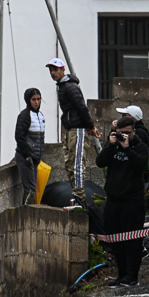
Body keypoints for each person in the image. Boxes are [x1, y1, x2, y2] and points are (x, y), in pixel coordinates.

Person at [95, 116, 149, 287]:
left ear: (133, 132)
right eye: (120, 133)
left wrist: (127, 148)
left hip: (132, 201)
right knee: (115, 239)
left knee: (132, 241)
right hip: (113, 200)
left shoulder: (140, 147)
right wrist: (111, 145)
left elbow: (140, 165)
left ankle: (132, 276)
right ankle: (122, 275)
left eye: (127, 133)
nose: (123, 136)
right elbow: (100, 162)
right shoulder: (114, 145)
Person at [46, 58, 101, 205]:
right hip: (71, 129)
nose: (52, 73)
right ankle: (76, 195)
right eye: (51, 70)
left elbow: (82, 107)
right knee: (69, 164)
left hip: (79, 129)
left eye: (55, 70)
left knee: (77, 164)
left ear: (62, 70)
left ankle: (79, 197)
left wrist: (90, 126)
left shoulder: (70, 87)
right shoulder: (63, 86)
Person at [14, 88, 46, 205]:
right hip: (26, 157)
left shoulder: (40, 115)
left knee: (32, 189)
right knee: (30, 189)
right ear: (28, 100)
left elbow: (40, 138)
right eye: (33, 99)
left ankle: (28, 211)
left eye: (38, 99)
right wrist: (27, 155)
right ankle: (27, 212)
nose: (36, 102)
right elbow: (19, 136)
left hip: (35, 158)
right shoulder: (24, 116)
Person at [112, 105, 149, 186]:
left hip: (135, 181)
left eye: (124, 116)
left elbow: (139, 160)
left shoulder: (140, 133)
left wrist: (126, 147)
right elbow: (101, 161)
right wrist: (113, 132)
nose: (121, 119)